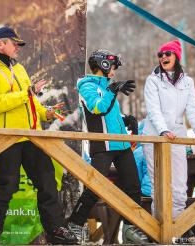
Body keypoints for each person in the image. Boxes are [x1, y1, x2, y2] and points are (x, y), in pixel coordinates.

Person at [0, 26, 77, 245]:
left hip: (32, 136)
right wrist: (27, 93)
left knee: (47, 183)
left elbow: (29, 102)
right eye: (15, 43)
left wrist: (45, 112)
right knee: (6, 186)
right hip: (7, 137)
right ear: (0, 44)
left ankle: (56, 229)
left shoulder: (18, 69)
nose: (18, 48)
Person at [66, 49, 149, 244]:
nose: (114, 71)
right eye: (113, 67)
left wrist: (126, 120)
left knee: (133, 186)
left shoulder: (106, 87)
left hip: (120, 144)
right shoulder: (86, 86)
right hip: (102, 145)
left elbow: (110, 115)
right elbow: (97, 108)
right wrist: (112, 91)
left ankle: (130, 228)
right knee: (96, 188)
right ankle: (74, 225)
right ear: (102, 65)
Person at [142, 40, 195, 220]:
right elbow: (153, 109)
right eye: (160, 54)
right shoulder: (153, 80)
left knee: (180, 187)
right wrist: (163, 130)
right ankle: (159, 232)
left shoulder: (187, 82)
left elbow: (192, 109)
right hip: (154, 136)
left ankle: (175, 231)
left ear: (176, 56)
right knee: (159, 186)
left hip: (178, 136)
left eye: (167, 53)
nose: (163, 57)